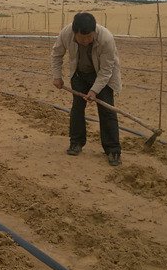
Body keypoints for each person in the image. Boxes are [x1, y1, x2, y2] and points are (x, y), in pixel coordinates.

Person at [51, 12, 123, 166]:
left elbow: (106, 70)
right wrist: (57, 76)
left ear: (94, 31)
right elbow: (56, 55)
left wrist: (94, 91)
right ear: (74, 33)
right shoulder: (66, 33)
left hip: (103, 77)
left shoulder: (106, 38)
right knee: (77, 108)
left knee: (107, 111)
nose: (85, 41)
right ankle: (76, 143)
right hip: (79, 74)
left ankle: (113, 150)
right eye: (81, 38)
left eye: (88, 37)